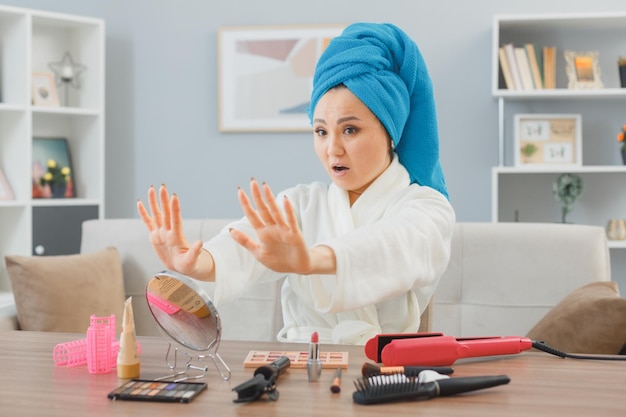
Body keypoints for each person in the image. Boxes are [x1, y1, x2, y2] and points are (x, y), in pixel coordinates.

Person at [137, 22, 455, 345]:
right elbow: (243, 246)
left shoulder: (427, 209)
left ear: (390, 131)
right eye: (321, 131)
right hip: (300, 370)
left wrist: (313, 260)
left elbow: (392, 246)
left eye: (350, 130)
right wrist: (197, 262)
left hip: (383, 374)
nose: (332, 149)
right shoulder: (304, 205)